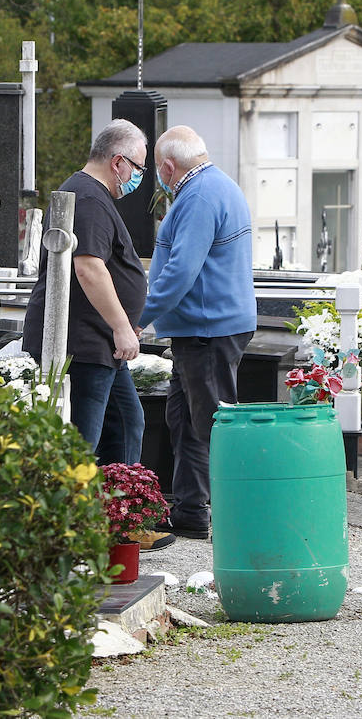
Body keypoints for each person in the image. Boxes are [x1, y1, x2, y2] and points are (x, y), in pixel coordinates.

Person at [22, 120, 174, 550]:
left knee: (128, 420)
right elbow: (88, 267)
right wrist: (123, 326)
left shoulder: (91, 195)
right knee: (83, 440)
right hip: (86, 341)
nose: (139, 178)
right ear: (118, 161)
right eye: (138, 168)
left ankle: (119, 521)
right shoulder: (87, 198)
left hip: (99, 341)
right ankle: (77, 533)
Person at [138, 126, 256, 540]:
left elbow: (180, 272)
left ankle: (236, 514)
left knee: (210, 425)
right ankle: (190, 511)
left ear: (168, 167)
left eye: (156, 170)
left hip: (207, 328)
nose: (157, 178)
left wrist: (137, 318)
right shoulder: (218, 185)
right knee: (184, 420)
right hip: (208, 326)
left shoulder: (198, 197)